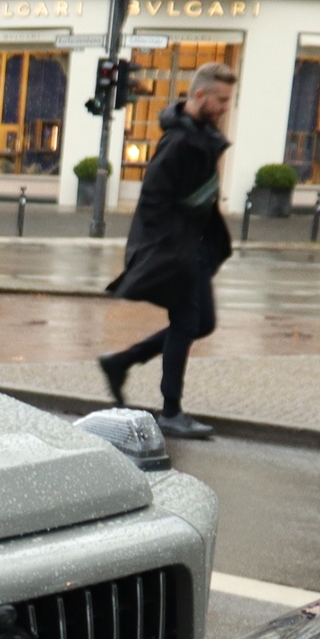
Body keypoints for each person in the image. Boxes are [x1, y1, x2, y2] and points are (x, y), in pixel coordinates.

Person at [100, 62, 237, 439]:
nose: (226, 106)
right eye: (221, 100)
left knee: (202, 323)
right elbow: (154, 198)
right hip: (178, 249)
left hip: (195, 245)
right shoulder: (179, 141)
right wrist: (168, 247)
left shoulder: (201, 133)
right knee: (187, 324)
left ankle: (122, 361)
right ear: (199, 95)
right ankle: (171, 411)